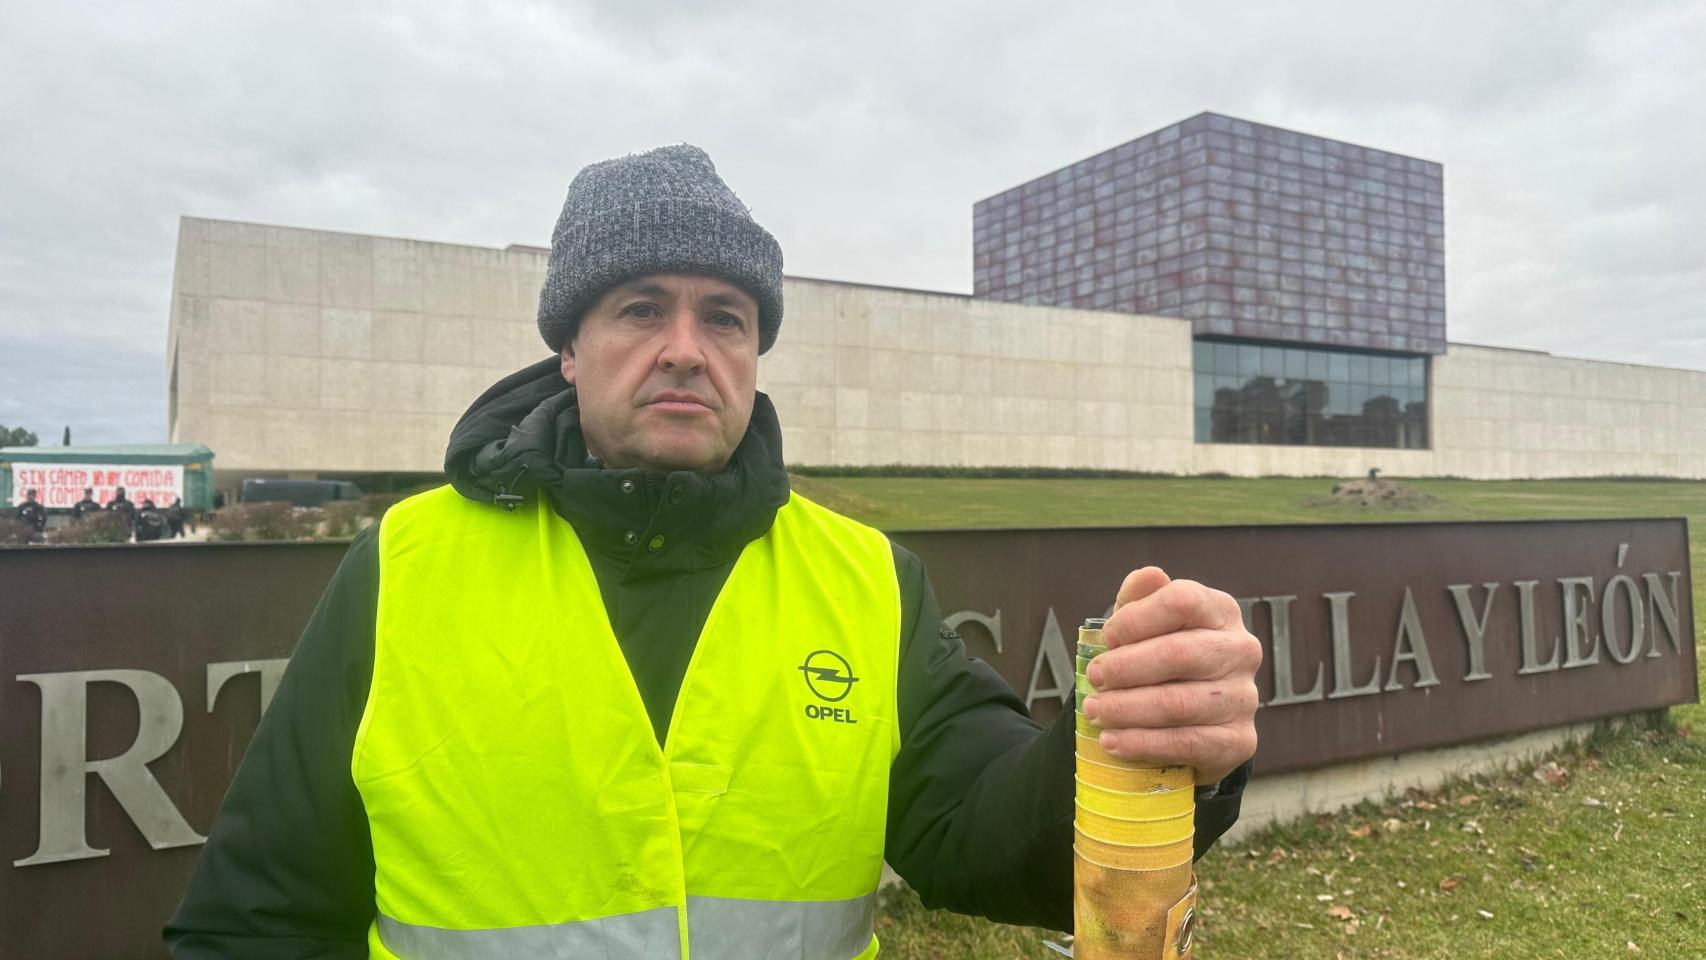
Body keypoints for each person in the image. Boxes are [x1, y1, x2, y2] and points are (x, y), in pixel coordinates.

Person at [165, 145, 1261, 959]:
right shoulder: (404, 567)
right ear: (568, 349)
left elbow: (981, 835)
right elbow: (257, 919)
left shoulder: (864, 579)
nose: (685, 351)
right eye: (641, 309)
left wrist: (1138, 744)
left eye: (725, 318)